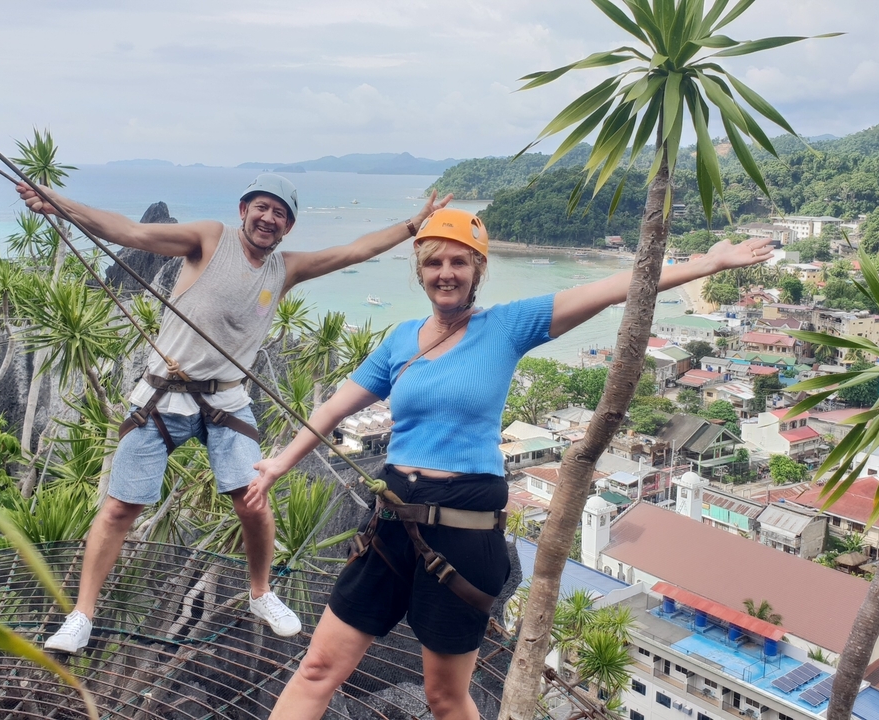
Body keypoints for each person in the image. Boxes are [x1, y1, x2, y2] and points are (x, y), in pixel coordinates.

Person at [248, 208, 774, 719]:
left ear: (479, 270)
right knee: (319, 666)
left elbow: (613, 286)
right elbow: (333, 407)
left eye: (459, 262)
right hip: (389, 522)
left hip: (463, 529)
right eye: (434, 263)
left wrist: (710, 263)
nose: (446, 273)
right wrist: (278, 464)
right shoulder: (400, 340)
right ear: (420, 272)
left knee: (445, 697)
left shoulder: (507, 326)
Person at [15, 173, 453, 653]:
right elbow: (132, 233)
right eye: (262, 207)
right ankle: (82, 614)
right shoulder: (208, 239)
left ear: (287, 228)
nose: (269, 218)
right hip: (163, 394)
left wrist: (413, 225)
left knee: (253, 499)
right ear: (243, 209)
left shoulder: (284, 269)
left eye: (280, 214)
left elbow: (353, 251)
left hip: (226, 399)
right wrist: (60, 205)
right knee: (121, 506)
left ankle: (261, 593)